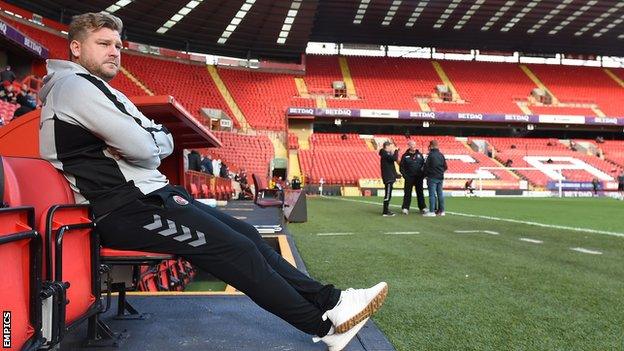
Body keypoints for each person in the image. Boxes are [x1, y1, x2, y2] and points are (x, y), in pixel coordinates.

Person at [37, 12, 387, 350]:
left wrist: (150, 141)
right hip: (127, 208)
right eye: (103, 43)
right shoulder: (74, 87)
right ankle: (325, 326)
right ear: (76, 48)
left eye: (117, 45)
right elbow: (145, 145)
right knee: (238, 250)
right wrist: (149, 141)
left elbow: (159, 139)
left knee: (248, 236)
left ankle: (334, 300)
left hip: (147, 198)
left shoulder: (92, 88)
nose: (114, 51)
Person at [399, 140, 426, 215]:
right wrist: (405, 176)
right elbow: (401, 167)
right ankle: (405, 208)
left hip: (419, 178)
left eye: (414, 145)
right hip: (409, 178)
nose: (413, 147)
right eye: (411, 145)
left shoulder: (420, 155)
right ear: (409, 146)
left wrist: (423, 175)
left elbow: (424, 166)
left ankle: (422, 207)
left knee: (420, 193)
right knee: (407, 193)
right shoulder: (405, 156)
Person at [423, 140, 448, 217]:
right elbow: (445, 167)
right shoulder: (441, 155)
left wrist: (426, 174)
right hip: (440, 177)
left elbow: (425, 166)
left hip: (432, 177)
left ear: (431, 146)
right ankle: (442, 211)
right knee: (440, 194)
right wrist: (440, 172)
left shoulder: (430, 155)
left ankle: (432, 211)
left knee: (432, 195)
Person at [379, 141, 399, 217]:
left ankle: (386, 210)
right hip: (388, 178)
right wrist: (396, 151)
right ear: (387, 146)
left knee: (388, 195)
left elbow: (391, 166)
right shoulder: (385, 154)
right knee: (387, 195)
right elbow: (394, 158)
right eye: (391, 146)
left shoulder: (385, 154)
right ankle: (385, 211)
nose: (392, 148)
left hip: (390, 177)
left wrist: (396, 174)